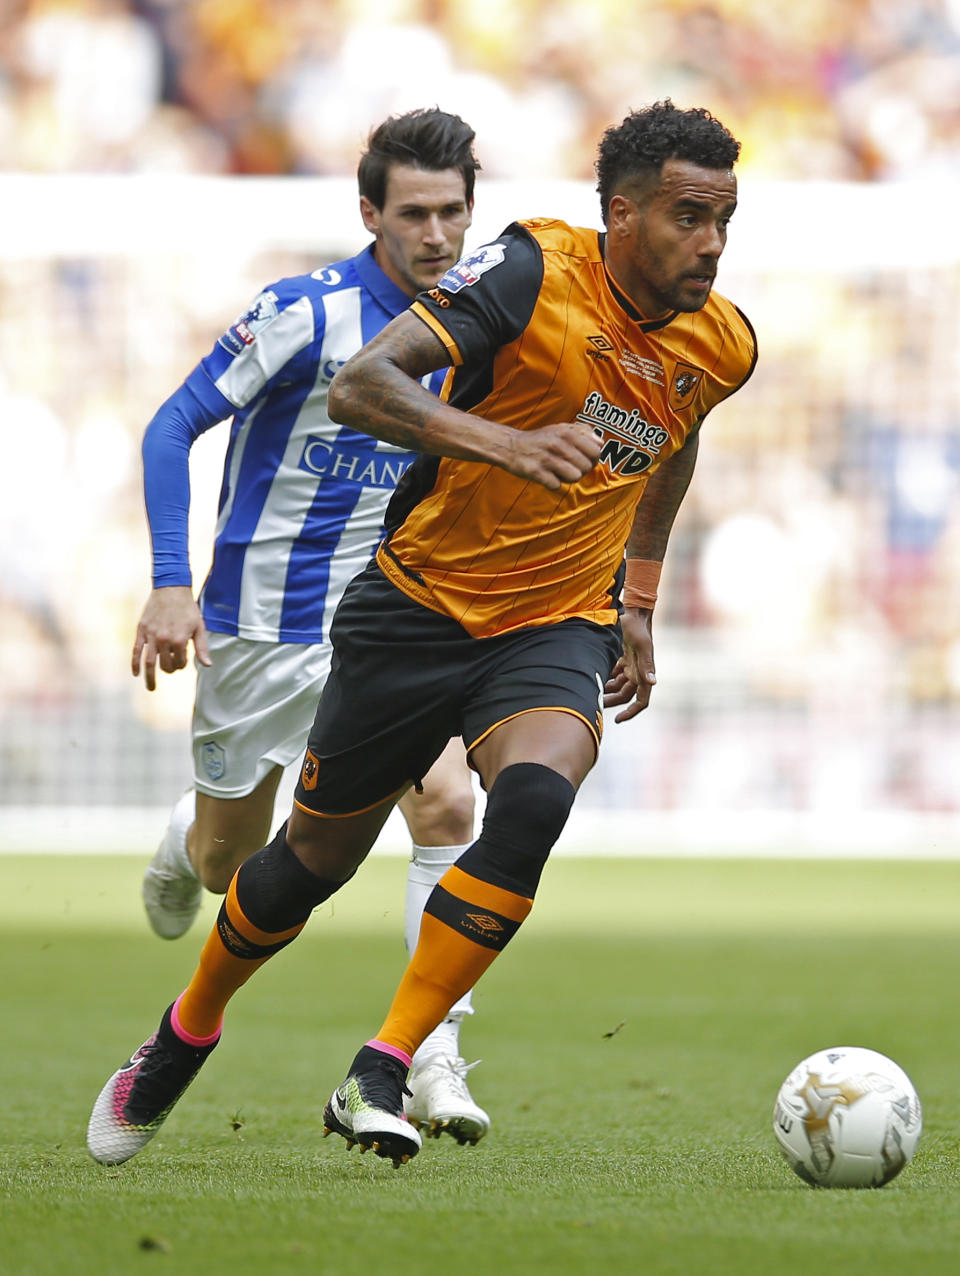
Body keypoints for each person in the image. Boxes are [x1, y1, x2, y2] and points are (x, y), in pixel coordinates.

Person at [88, 99, 757, 1170]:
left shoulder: (724, 343)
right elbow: (362, 386)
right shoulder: (531, 273)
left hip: (554, 623)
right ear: (623, 216)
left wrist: (636, 597)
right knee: (300, 863)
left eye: (725, 219)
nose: (712, 243)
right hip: (409, 610)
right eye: (689, 218)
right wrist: (504, 443)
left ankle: (390, 1060)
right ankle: (187, 1027)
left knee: (528, 797)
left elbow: (675, 440)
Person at [128, 107, 490, 1143]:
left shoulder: (481, 325)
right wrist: (167, 580)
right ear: (370, 212)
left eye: (453, 213)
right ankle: (181, 837)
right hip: (259, 625)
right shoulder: (304, 312)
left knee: (448, 804)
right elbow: (173, 424)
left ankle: (429, 1051)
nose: (436, 235)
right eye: (413, 213)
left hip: (391, 620)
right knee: (228, 864)